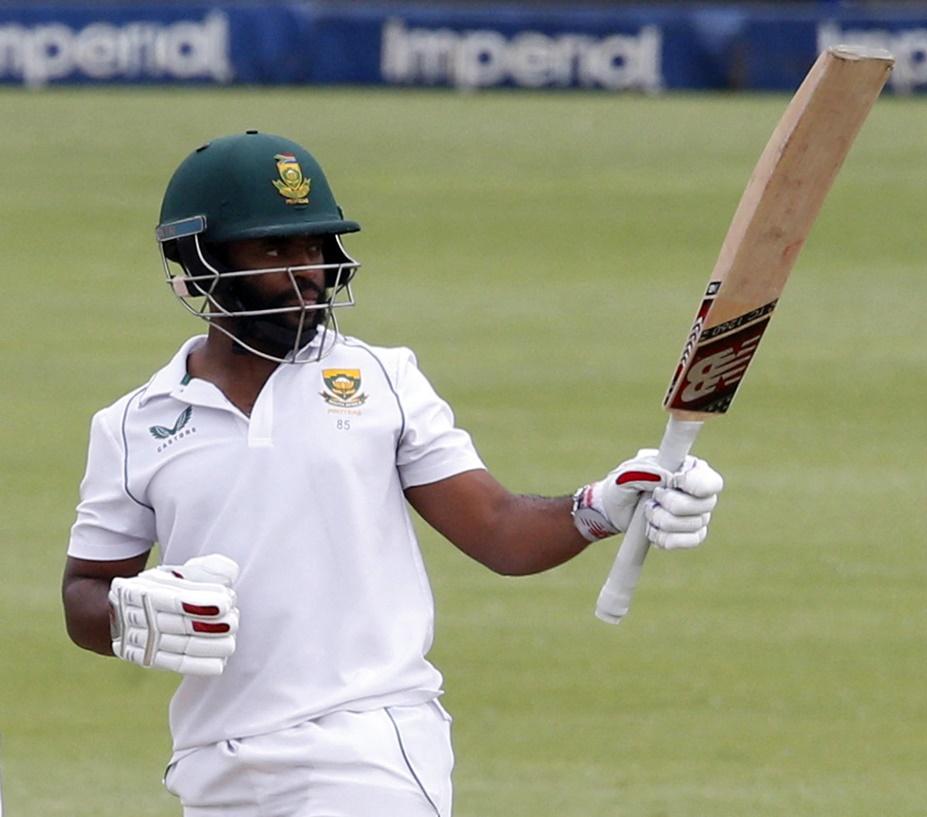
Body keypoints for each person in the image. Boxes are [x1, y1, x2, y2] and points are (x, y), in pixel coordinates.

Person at [61, 131, 724, 817]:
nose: (306, 273)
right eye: (273, 249)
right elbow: (84, 591)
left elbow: (499, 530)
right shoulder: (134, 424)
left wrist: (601, 505)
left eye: (314, 247)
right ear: (201, 264)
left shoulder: (383, 379)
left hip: (368, 747)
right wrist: (128, 612)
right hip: (213, 766)